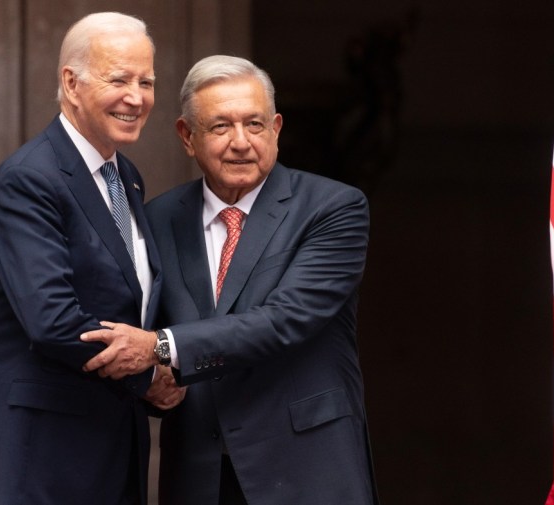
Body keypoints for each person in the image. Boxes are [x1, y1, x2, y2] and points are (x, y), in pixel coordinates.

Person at [82, 55, 379, 505]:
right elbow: (137, 329)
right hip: (197, 473)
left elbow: (285, 320)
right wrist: (150, 384)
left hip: (305, 469)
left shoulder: (332, 208)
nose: (241, 143)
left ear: (276, 128)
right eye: (221, 127)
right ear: (187, 136)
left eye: (255, 125)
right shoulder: (156, 219)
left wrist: (159, 346)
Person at [0, 12, 183, 505]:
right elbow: (52, 321)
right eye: (118, 78)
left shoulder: (127, 178)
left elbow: (129, 301)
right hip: (39, 462)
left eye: (146, 81)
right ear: (71, 83)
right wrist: (148, 374)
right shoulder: (30, 179)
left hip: (111, 454)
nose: (136, 97)